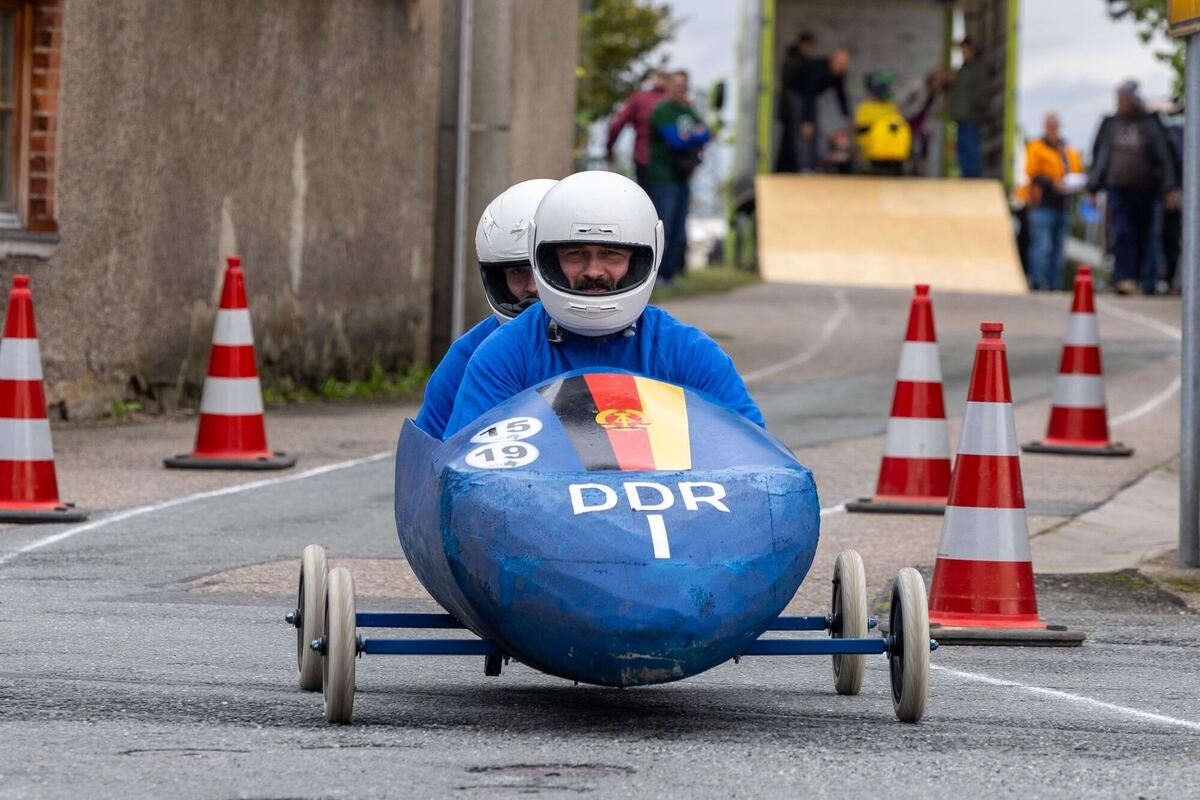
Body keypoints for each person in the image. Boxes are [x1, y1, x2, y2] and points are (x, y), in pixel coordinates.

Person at [443, 170, 763, 439]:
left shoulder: (687, 352)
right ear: (548, 259)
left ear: (641, 259)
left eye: (611, 254)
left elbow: (756, 454)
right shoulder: (503, 355)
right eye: (575, 254)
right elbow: (461, 471)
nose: (594, 271)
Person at [413, 179, 556, 439]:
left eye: (544, 269)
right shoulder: (470, 353)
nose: (534, 286)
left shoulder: (646, 336)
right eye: (517, 272)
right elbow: (429, 459)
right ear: (496, 278)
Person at [1088, 80, 1180, 295]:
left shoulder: (1149, 123)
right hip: (1118, 188)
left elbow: (1163, 156)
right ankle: (1124, 278)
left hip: (1147, 190)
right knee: (1123, 233)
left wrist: (1169, 187)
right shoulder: (1111, 123)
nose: (1119, 103)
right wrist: (1093, 186)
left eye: (1122, 99)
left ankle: (1147, 281)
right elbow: (1099, 155)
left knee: (1148, 236)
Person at [646, 70, 711, 285]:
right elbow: (675, 141)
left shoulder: (687, 110)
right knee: (664, 231)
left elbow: (708, 133)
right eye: (677, 85)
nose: (680, 89)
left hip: (683, 178)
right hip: (663, 177)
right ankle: (655, 278)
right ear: (669, 87)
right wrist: (693, 136)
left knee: (679, 233)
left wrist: (689, 136)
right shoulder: (662, 111)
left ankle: (668, 276)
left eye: (684, 86)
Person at [1024, 113, 1083, 291]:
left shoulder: (1066, 150)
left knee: (1058, 250)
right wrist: (1052, 183)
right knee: (1042, 247)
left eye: (1055, 126)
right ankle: (1038, 282)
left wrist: (1073, 182)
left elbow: (1076, 170)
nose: (1053, 130)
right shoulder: (1037, 147)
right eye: (1049, 126)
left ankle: (1054, 285)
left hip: (1062, 205)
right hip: (1043, 205)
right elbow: (1032, 172)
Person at [781, 47, 851, 173]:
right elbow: (808, 93)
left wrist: (847, 116)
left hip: (811, 97)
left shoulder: (839, 74)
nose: (842, 67)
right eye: (840, 64)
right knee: (803, 131)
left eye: (845, 64)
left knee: (814, 130)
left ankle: (813, 164)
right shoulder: (816, 69)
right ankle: (803, 166)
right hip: (798, 94)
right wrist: (806, 120)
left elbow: (841, 94)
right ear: (833, 61)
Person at [606, 69, 667, 189]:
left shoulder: (639, 99)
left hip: (646, 158)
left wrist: (609, 149)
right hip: (672, 164)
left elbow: (616, 125)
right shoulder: (678, 102)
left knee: (648, 200)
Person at [853, 70, 911, 176]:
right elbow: (860, 131)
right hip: (872, 152)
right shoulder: (864, 108)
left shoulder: (891, 108)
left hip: (893, 152)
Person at [775, 32, 817, 173]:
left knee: (787, 141)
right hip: (792, 108)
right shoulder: (799, 63)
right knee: (794, 141)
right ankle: (795, 168)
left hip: (787, 108)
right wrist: (806, 118)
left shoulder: (791, 60)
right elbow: (804, 91)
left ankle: (785, 169)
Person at [947, 37, 987, 178]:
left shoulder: (977, 69)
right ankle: (966, 175)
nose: (962, 53)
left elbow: (980, 93)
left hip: (971, 116)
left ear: (971, 50)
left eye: (964, 49)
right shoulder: (963, 69)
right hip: (961, 116)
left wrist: (977, 110)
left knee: (971, 149)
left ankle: (973, 177)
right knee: (962, 148)